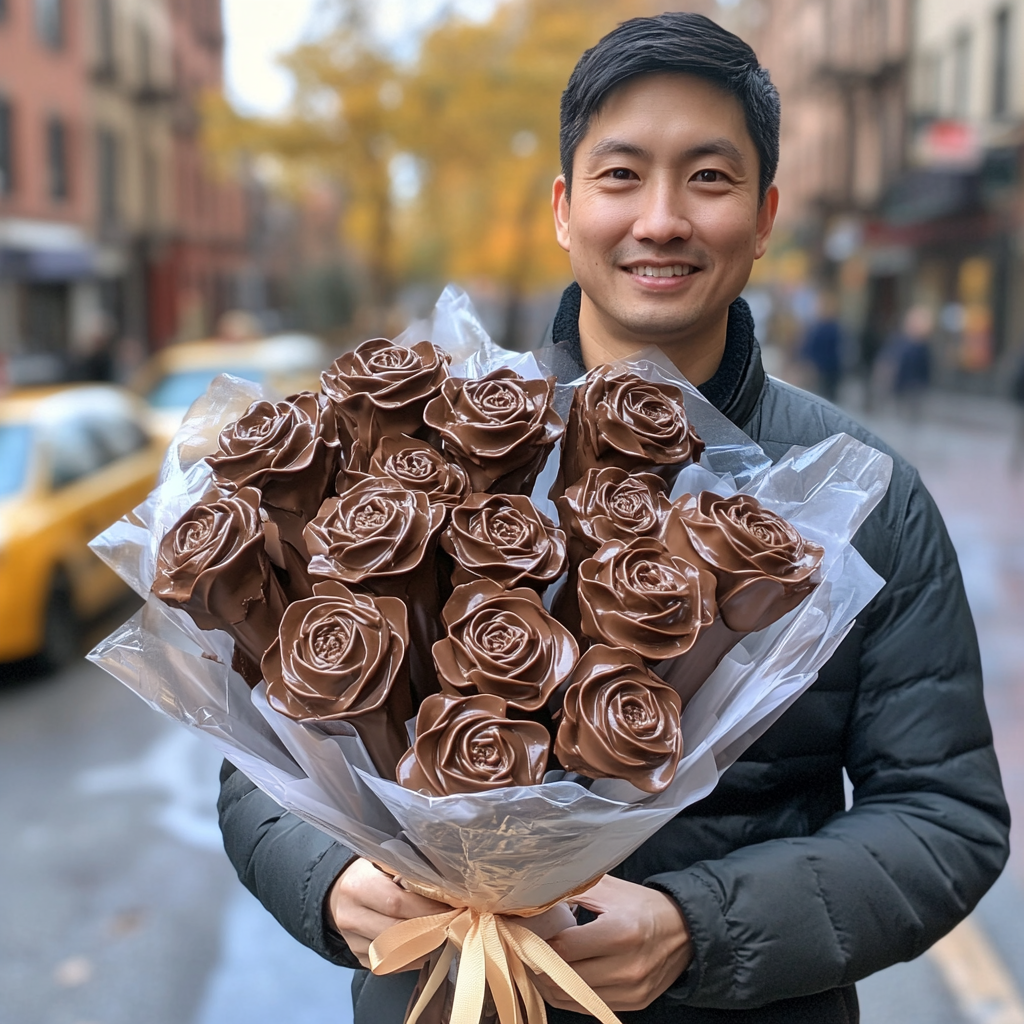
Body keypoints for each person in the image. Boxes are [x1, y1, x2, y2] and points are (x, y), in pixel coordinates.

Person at [218, 13, 1009, 1023]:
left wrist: (698, 927)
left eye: (710, 179)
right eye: (621, 175)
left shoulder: (863, 498)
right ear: (562, 207)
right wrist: (332, 883)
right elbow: (261, 749)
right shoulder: (419, 461)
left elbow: (944, 817)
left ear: (764, 217)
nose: (662, 218)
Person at [798, 292, 843, 401]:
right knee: (823, 394)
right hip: (823, 365)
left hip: (829, 365)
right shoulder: (821, 327)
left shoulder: (829, 327)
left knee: (825, 394)